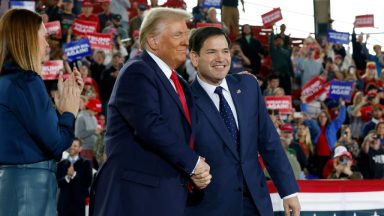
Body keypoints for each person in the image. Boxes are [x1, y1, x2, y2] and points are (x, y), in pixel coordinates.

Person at [91, 8, 211, 216]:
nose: (186, 41)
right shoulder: (137, 71)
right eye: (178, 35)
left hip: (167, 195)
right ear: (154, 42)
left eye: (186, 35)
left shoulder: (180, 84)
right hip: (135, 197)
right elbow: (150, 125)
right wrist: (193, 164)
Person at [186, 27, 300, 216]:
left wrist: (288, 191)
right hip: (209, 206)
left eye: (225, 51)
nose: (220, 58)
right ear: (195, 58)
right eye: (212, 52)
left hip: (255, 203)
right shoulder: (183, 100)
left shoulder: (248, 86)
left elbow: (269, 141)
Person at [0, 9, 83, 216]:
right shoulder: (27, 81)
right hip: (29, 189)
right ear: (28, 38)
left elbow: (27, 131)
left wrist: (59, 109)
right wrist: (69, 112)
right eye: (44, 36)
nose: (47, 44)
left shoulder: (7, 82)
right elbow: (55, 144)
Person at [57, 138, 93, 216]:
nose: (72, 147)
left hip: (79, 206)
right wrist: (67, 177)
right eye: (71, 145)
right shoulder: (61, 164)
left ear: (80, 149)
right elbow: (58, 183)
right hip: (64, 206)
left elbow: (88, 182)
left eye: (75, 146)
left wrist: (74, 175)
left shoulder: (86, 163)